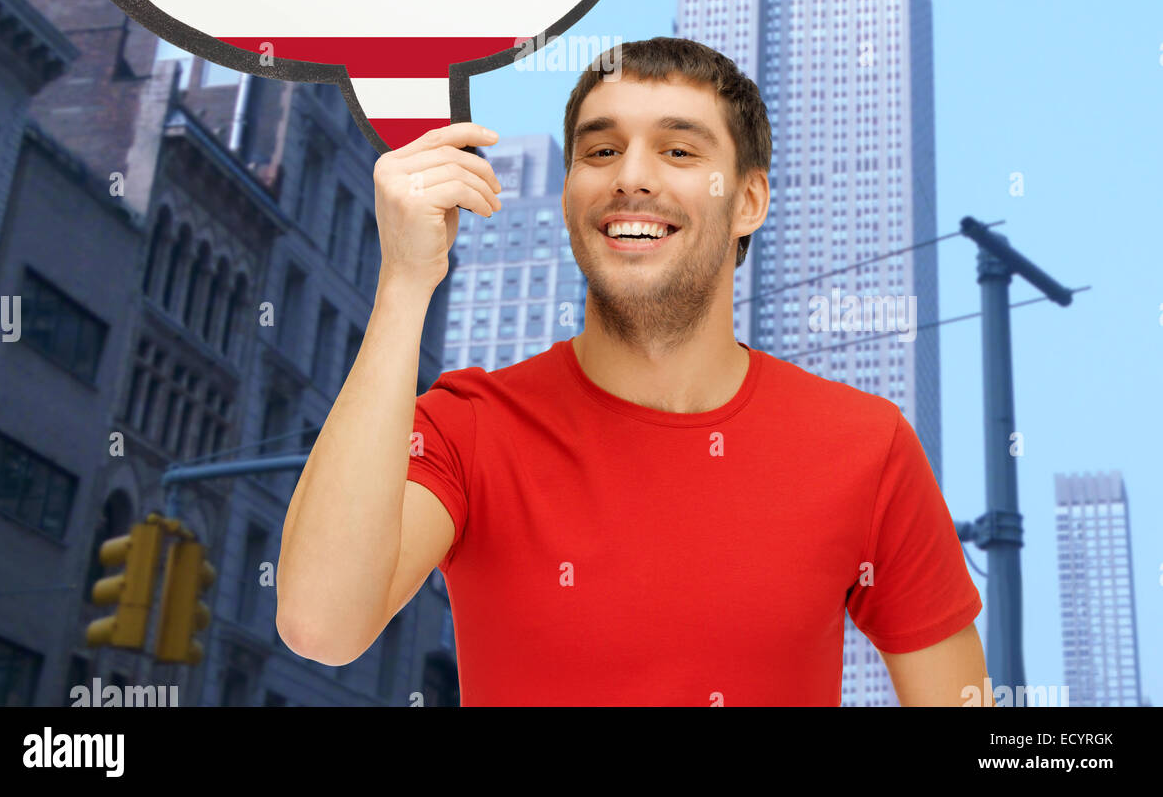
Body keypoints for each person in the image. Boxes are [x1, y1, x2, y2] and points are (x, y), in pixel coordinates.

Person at [276, 37, 987, 706]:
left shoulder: (867, 445)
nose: (631, 177)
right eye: (602, 150)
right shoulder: (468, 426)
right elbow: (322, 625)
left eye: (678, 150)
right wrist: (405, 279)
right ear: (568, 195)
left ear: (748, 202)